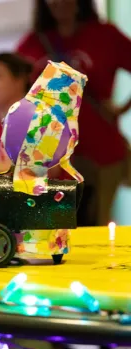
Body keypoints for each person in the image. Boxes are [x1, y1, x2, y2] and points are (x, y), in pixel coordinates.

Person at [16, 0, 131, 226]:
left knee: (96, 225)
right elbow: (17, 89)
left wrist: (122, 108)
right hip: (49, 153)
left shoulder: (105, 35)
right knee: (55, 226)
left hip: (101, 150)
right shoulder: (34, 42)